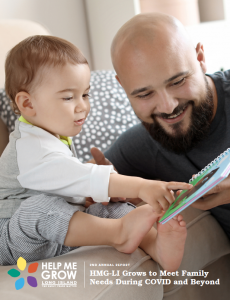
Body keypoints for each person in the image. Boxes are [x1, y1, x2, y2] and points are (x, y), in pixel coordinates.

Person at [0, 35, 192, 269]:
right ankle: (120, 233)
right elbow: (80, 177)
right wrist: (142, 186)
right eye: (69, 97)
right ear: (28, 104)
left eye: (85, 94)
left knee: (106, 208)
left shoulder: (51, 136)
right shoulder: (29, 147)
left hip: (55, 235)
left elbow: (64, 182)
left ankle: (157, 247)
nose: (83, 105)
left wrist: (88, 198)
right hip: (13, 241)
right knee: (37, 208)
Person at [90, 12, 230, 240]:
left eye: (178, 81)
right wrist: (95, 187)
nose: (167, 107)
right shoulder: (141, 145)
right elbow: (82, 181)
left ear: (200, 57)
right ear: (122, 86)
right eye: (145, 94)